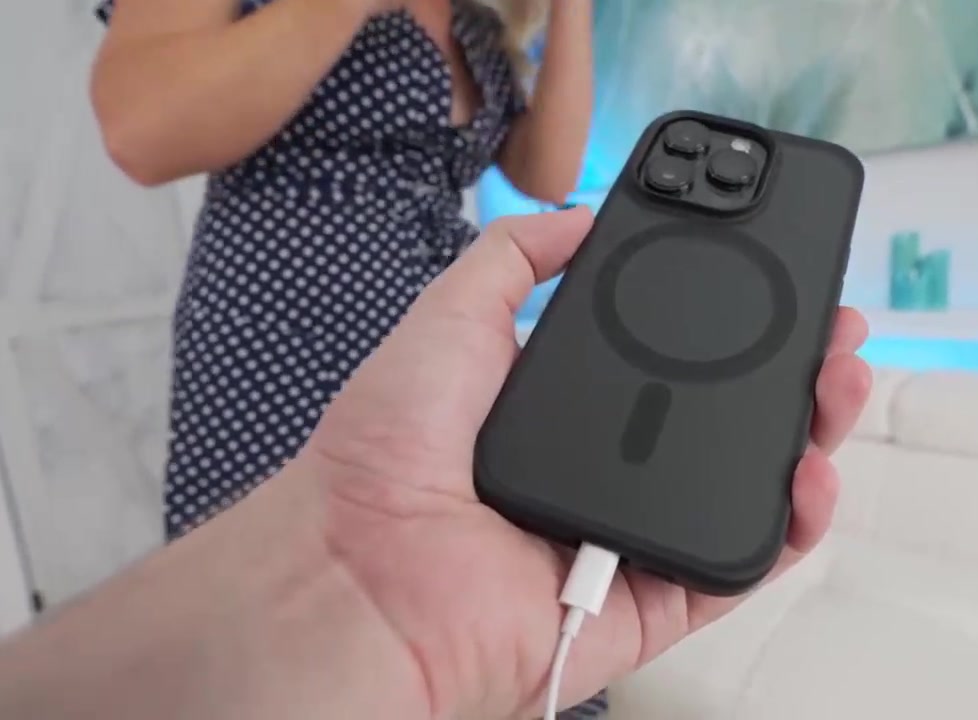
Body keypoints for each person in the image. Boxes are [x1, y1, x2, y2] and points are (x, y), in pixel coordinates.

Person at [0, 210, 873, 720]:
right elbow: (144, 131)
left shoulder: (494, 25)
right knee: (287, 561)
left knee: (533, 655)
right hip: (283, 301)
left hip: (429, 298)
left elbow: (543, 164)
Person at [90, 0, 594, 710]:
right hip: (285, 338)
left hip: (442, 347)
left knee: (478, 625)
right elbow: (140, 130)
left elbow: (548, 173)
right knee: (290, 644)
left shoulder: (473, 17)